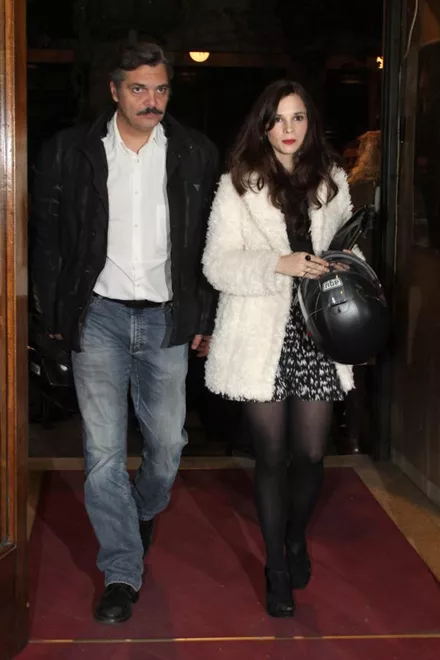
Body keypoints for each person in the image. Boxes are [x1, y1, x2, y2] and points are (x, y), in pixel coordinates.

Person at [30, 42, 218, 624]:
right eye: (138, 88)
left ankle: (140, 511)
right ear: (114, 91)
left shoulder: (195, 152)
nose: (151, 100)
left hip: (166, 316)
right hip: (100, 316)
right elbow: (48, 241)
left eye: (160, 89)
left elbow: (208, 244)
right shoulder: (70, 151)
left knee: (167, 446)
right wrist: (54, 319)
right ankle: (120, 571)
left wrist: (204, 317)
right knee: (104, 452)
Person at [202, 80, 358, 618]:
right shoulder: (238, 184)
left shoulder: (332, 181)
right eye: (278, 119)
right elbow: (216, 264)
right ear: (263, 125)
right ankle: (276, 567)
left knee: (311, 453)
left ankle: (295, 538)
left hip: (318, 329)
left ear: (310, 123)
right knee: (269, 455)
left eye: (298, 118)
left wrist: (342, 267)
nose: (288, 130)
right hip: (260, 330)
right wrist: (278, 264)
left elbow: (352, 249)